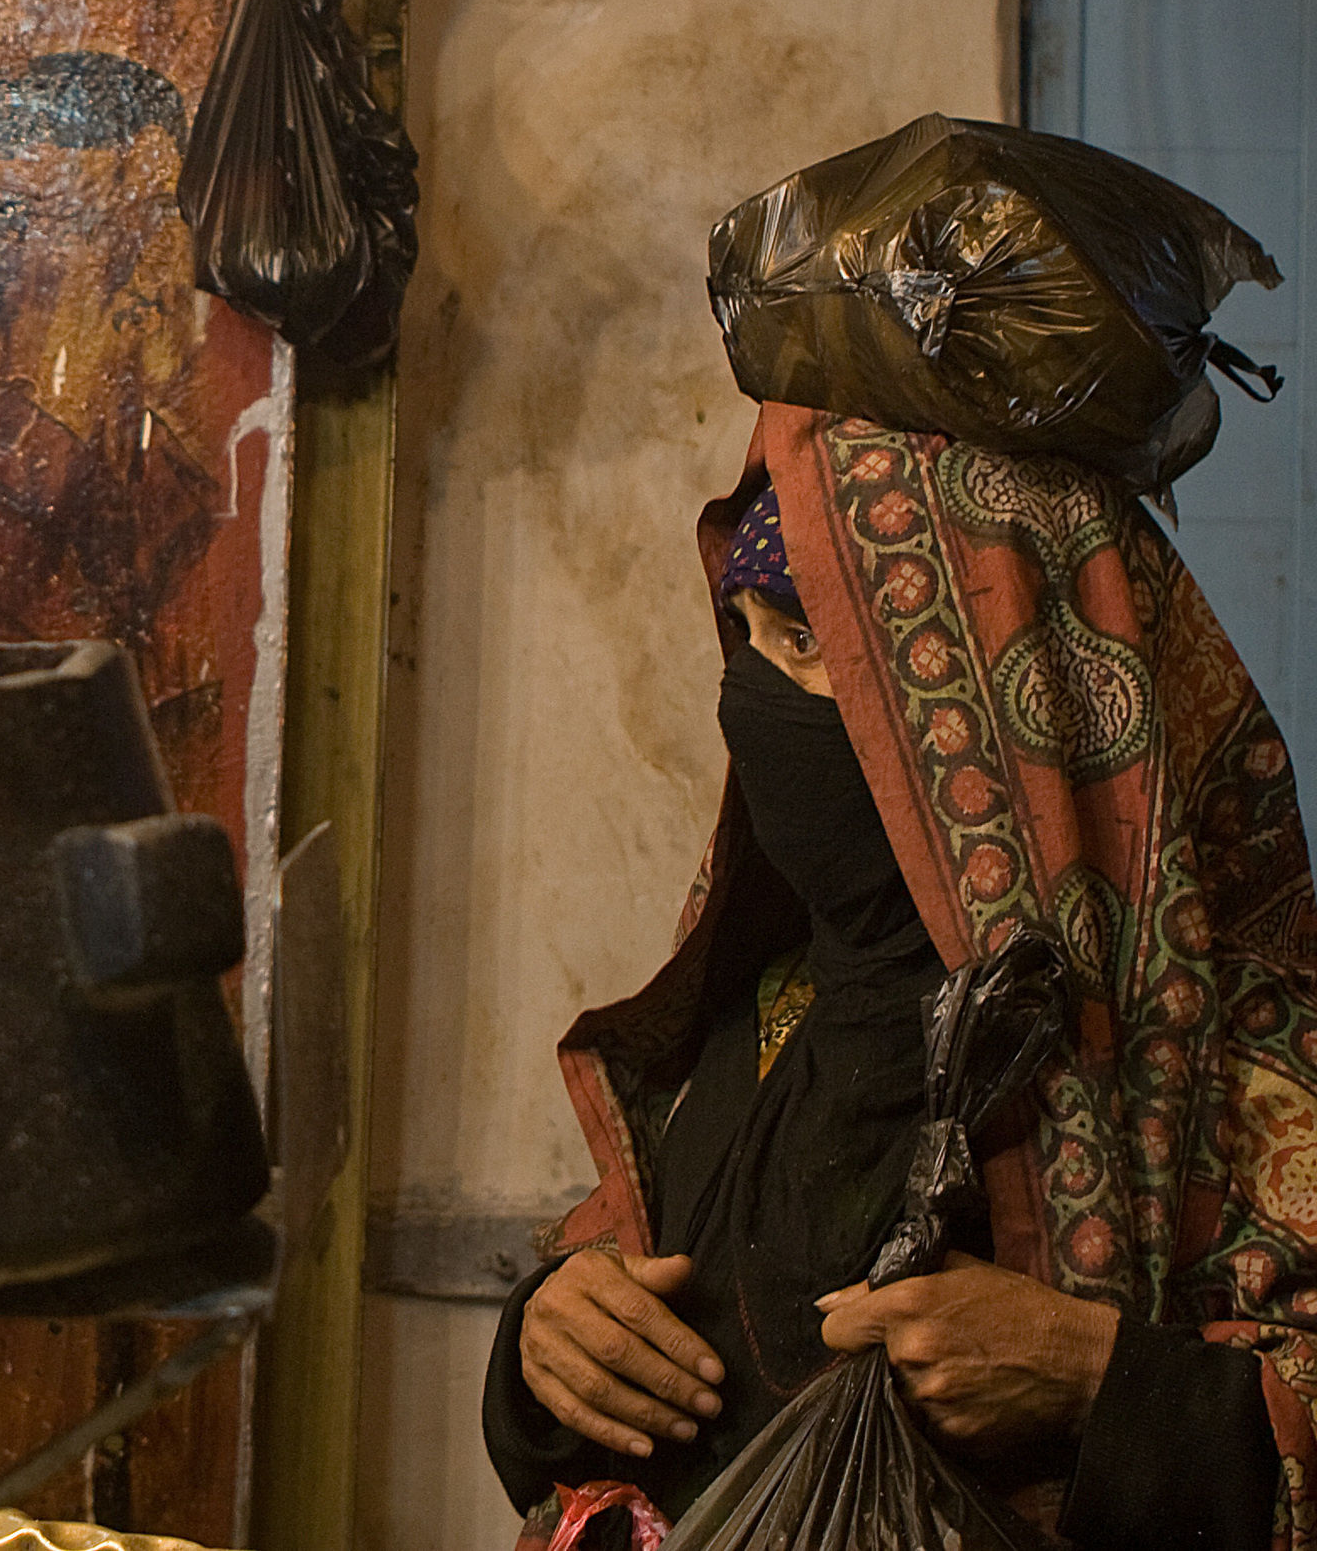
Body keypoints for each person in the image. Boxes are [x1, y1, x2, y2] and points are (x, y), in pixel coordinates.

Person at [482, 402, 1317, 1549]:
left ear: (986, 694)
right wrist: (543, 1350)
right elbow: (630, 1376)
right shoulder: (758, 1005)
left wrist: (1095, 1379)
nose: (751, 702)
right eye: (751, 635)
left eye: (814, 643)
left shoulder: (1218, 1063)